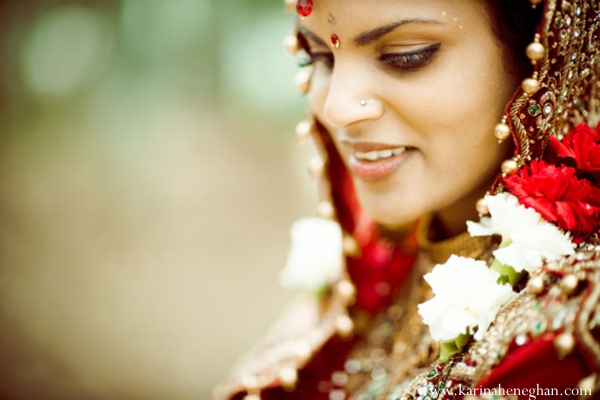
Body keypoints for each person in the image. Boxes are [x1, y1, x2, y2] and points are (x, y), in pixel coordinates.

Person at [216, 0, 600, 398]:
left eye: (406, 57)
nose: (337, 109)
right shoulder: (368, 278)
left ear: (543, 54)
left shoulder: (564, 339)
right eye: (317, 57)